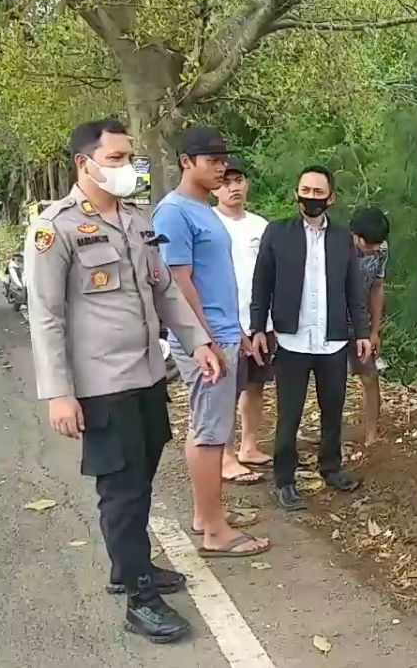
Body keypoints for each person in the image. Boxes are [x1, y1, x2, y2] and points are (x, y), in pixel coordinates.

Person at [25, 118, 224, 643]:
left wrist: (199, 341)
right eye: (114, 159)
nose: (126, 168)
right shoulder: (57, 227)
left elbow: (165, 292)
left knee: (144, 472)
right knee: (123, 489)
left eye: (128, 159)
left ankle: (128, 566)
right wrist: (59, 392)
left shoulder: (137, 221)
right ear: (83, 163)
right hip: (100, 385)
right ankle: (139, 597)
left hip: (146, 375)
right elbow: (44, 315)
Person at [153, 126, 271, 557]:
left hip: (221, 332)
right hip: (204, 340)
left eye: (224, 160)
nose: (222, 167)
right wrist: (205, 339)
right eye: (212, 160)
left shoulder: (204, 209)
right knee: (209, 433)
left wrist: (235, 331)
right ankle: (216, 533)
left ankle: (207, 515)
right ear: (187, 162)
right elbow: (178, 282)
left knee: (208, 428)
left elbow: (216, 280)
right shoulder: (174, 213)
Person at [248, 165, 371, 512]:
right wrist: (258, 327)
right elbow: (262, 283)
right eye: (306, 190)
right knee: (290, 414)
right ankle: (285, 479)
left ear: (330, 197)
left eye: (319, 192)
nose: (311, 198)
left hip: (332, 341)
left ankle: (330, 467)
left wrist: (361, 332)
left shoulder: (342, 239)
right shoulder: (278, 233)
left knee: (333, 408)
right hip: (291, 340)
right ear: (296, 193)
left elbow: (354, 290)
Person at [212, 156, 274, 471]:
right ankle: (224, 454)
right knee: (224, 390)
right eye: (225, 182)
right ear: (215, 188)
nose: (233, 187)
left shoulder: (260, 225)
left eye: (238, 181)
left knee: (255, 385)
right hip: (223, 324)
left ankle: (250, 446)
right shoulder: (209, 224)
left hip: (260, 321)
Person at [349, 206, 390, 446]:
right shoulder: (336, 247)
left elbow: (377, 287)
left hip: (360, 322)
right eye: (368, 244)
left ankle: (372, 436)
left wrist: (375, 331)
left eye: (378, 244)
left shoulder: (381, 249)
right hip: (329, 321)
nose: (373, 249)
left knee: (369, 374)